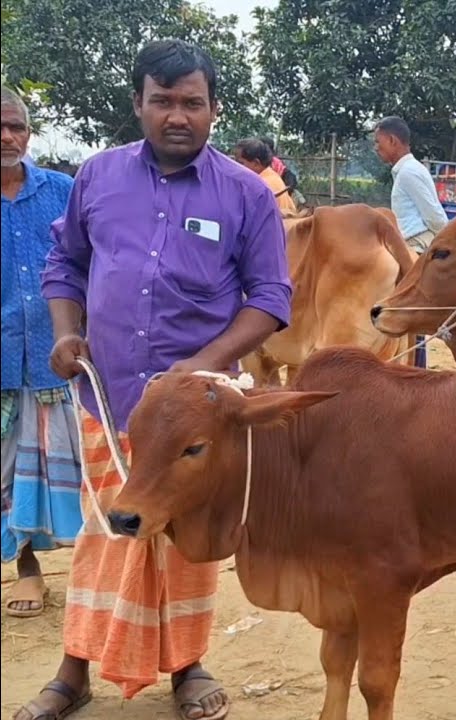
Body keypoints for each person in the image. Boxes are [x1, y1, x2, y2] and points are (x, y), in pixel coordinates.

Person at [21, 39, 292, 720]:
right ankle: (74, 670)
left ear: (214, 109)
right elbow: (65, 266)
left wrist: (202, 366)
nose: (178, 115)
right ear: (139, 102)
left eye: (191, 102)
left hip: (198, 413)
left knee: (186, 544)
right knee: (104, 535)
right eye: (163, 100)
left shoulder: (246, 195)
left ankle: (188, 668)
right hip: (107, 398)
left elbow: (269, 300)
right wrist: (65, 332)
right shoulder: (98, 176)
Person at [1, 86, 82, 621]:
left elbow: (91, 260)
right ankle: (27, 567)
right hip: (5, 366)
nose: (7, 137)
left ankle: (93, 573)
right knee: (8, 473)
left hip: (65, 360)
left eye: (16, 128)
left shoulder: (64, 191)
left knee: (79, 471)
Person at [373, 116, 448, 253]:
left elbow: (434, 216)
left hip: (416, 245)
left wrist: (447, 243)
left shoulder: (409, 172)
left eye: (378, 142)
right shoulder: (406, 170)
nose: (376, 148)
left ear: (392, 140)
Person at [232, 137, 296, 215]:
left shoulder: (261, 185)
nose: (235, 166)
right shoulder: (273, 176)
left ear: (256, 163)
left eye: (240, 163)